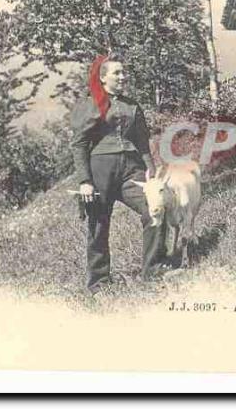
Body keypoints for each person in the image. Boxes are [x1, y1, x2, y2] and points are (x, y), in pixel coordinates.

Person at [70, 53, 168, 293]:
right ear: (103, 78)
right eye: (117, 73)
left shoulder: (133, 106)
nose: (124, 76)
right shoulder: (91, 104)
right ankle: (99, 283)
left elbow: (143, 142)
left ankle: (152, 271)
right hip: (101, 168)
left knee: (154, 208)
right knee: (99, 223)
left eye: (124, 72)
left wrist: (151, 173)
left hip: (131, 169)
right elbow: (79, 144)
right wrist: (85, 181)